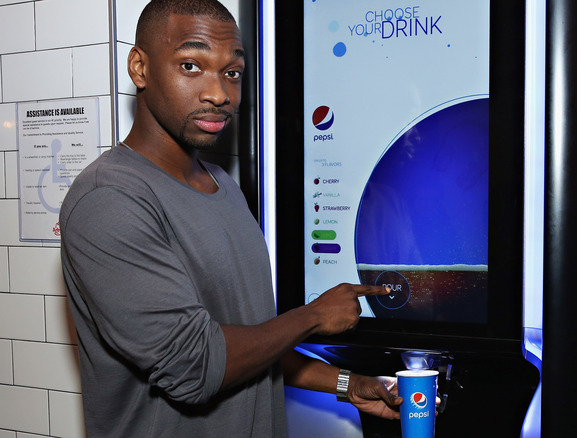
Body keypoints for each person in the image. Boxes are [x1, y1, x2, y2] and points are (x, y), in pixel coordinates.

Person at [59, 0, 401, 436]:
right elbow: (196, 366)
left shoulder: (222, 185)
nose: (219, 94)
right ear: (139, 67)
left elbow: (253, 343)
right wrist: (312, 317)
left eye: (232, 72)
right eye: (190, 66)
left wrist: (348, 383)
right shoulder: (110, 199)